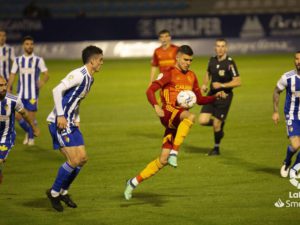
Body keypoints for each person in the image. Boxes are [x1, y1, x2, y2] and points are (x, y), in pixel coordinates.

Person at [124, 45, 226, 200]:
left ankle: (132, 182)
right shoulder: (168, 74)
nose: (188, 63)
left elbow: (199, 99)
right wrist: (156, 106)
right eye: (185, 59)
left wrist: (214, 96)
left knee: (163, 159)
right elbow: (149, 91)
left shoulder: (192, 76)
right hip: (168, 113)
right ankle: (175, 152)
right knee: (190, 117)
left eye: (191, 60)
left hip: (176, 121)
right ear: (177, 57)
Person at [46, 45, 103, 212]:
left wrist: (76, 118)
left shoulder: (90, 79)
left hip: (71, 122)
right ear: (92, 61)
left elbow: (76, 101)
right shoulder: (78, 74)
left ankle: (64, 191)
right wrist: (60, 115)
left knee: (82, 158)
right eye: (100, 60)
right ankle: (54, 193)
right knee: (73, 160)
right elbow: (56, 90)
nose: (102, 63)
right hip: (59, 122)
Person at [198, 38, 241, 156]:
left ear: (226, 48)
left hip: (224, 96)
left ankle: (216, 148)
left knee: (216, 124)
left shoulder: (230, 63)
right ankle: (220, 124)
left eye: (222, 46)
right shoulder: (211, 60)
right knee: (202, 121)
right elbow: (208, 73)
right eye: (218, 46)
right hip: (212, 95)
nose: (220, 49)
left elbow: (238, 81)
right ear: (215, 48)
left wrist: (222, 85)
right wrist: (204, 84)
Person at [7, 36, 49, 146]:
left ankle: (31, 138)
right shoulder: (18, 60)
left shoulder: (38, 60)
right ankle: (29, 131)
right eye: (27, 44)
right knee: (17, 116)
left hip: (33, 95)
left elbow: (46, 74)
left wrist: (43, 82)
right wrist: (8, 87)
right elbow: (12, 74)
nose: (29, 46)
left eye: (31, 44)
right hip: (20, 93)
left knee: (30, 118)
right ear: (23, 46)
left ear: (33, 46)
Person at [0, 75, 39, 184]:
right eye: (0, 85)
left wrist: (33, 127)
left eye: (5, 85)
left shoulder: (13, 100)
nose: (3, 88)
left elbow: (25, 114)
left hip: (6, 136)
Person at [272, 51, 300, 178]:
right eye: (296, 59)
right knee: (296, 145)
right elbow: (277, 91)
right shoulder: (287, 77)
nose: (298, 61)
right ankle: (287, 161)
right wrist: (275, 111)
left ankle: (295, 167)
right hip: (292, 115)